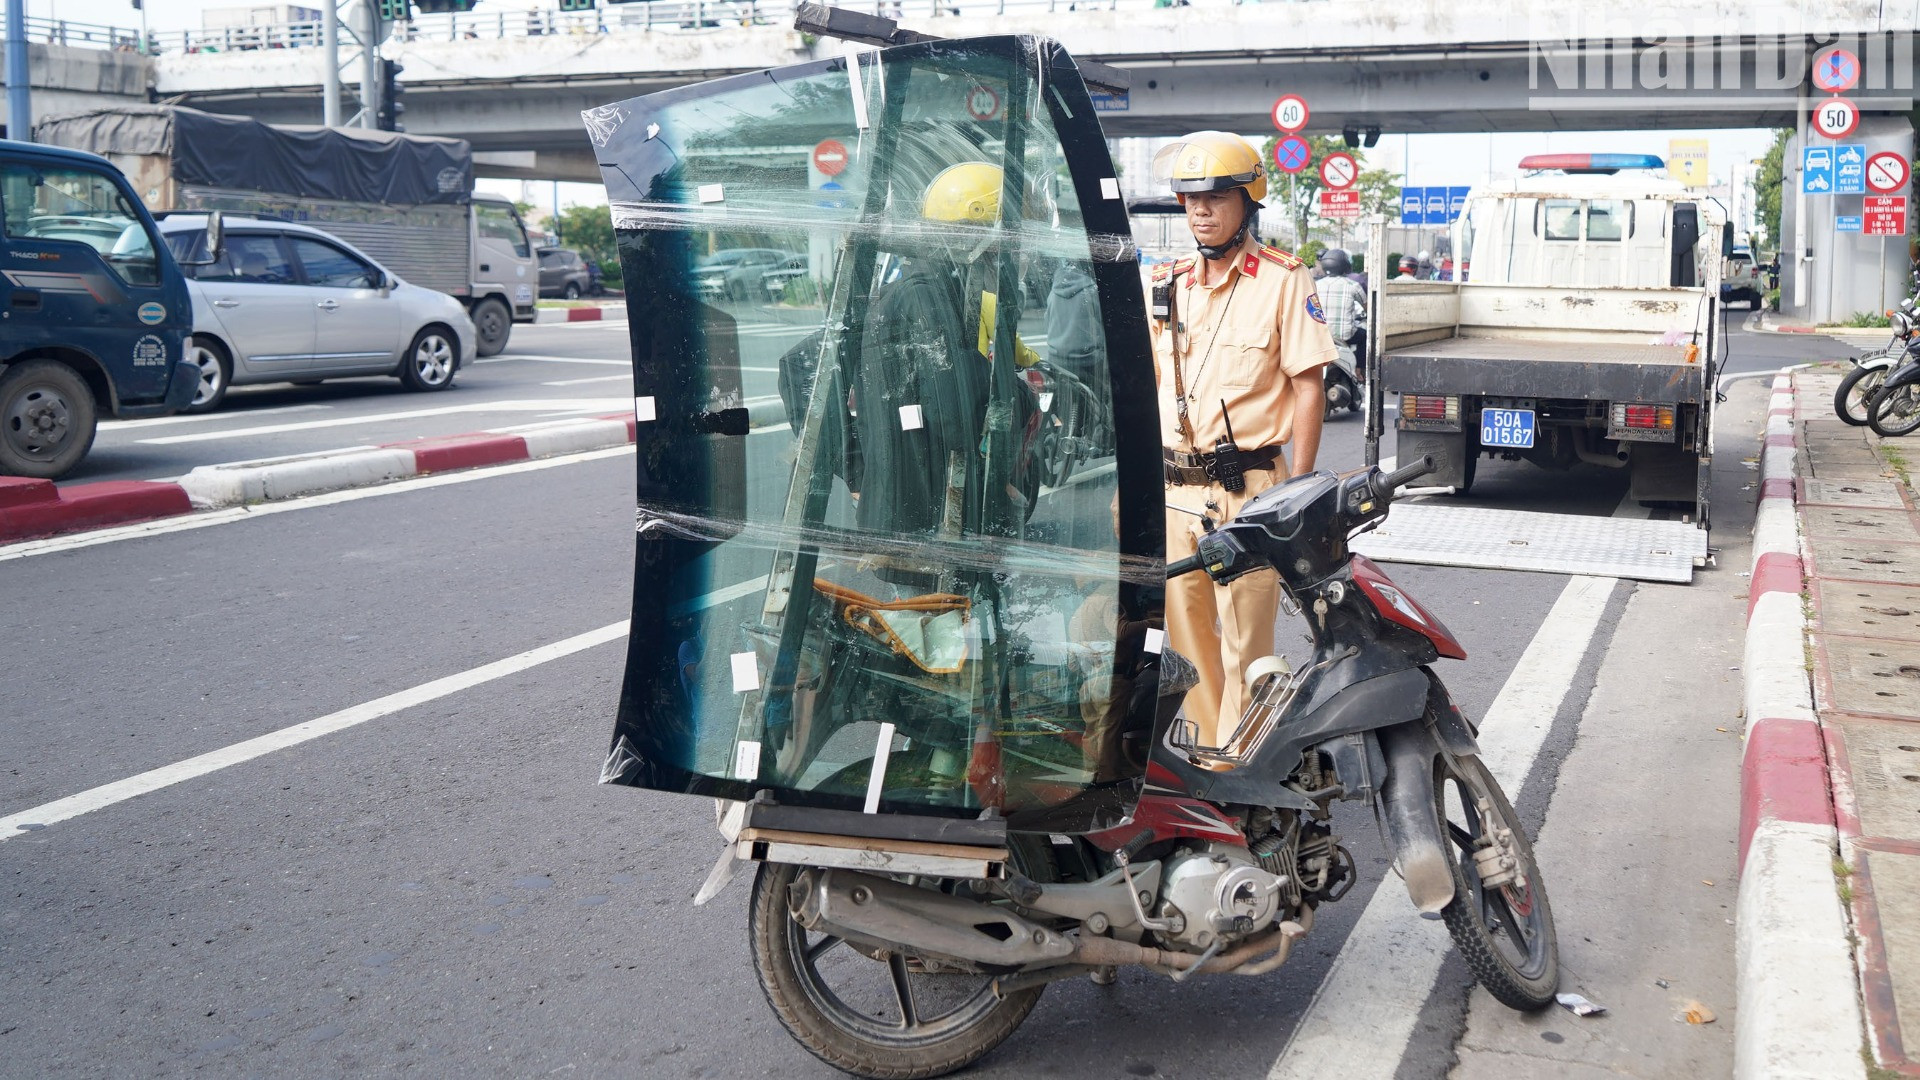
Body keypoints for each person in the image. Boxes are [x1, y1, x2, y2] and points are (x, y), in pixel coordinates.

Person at [1148, 131, 1336, 748]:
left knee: (1247, 646)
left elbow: (1309, 387)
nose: (1200, 210)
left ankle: (1244, 767)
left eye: (1216, 197)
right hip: (1175, 491)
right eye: (1189, 198)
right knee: (1187, 642)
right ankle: (1206, 764)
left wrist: (1300, 494)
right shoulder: (1167, 283)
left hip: (1249, 492)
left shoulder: (1283, 279)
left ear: (1247, 200)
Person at [1315, 247, 1366, 368]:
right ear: (1344, 265)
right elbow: (1367, 306)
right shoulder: (1353, 285)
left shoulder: (1316, 284)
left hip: (1320, 336)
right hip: (1345, 337)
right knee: (1364, 335)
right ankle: (1360, 369)